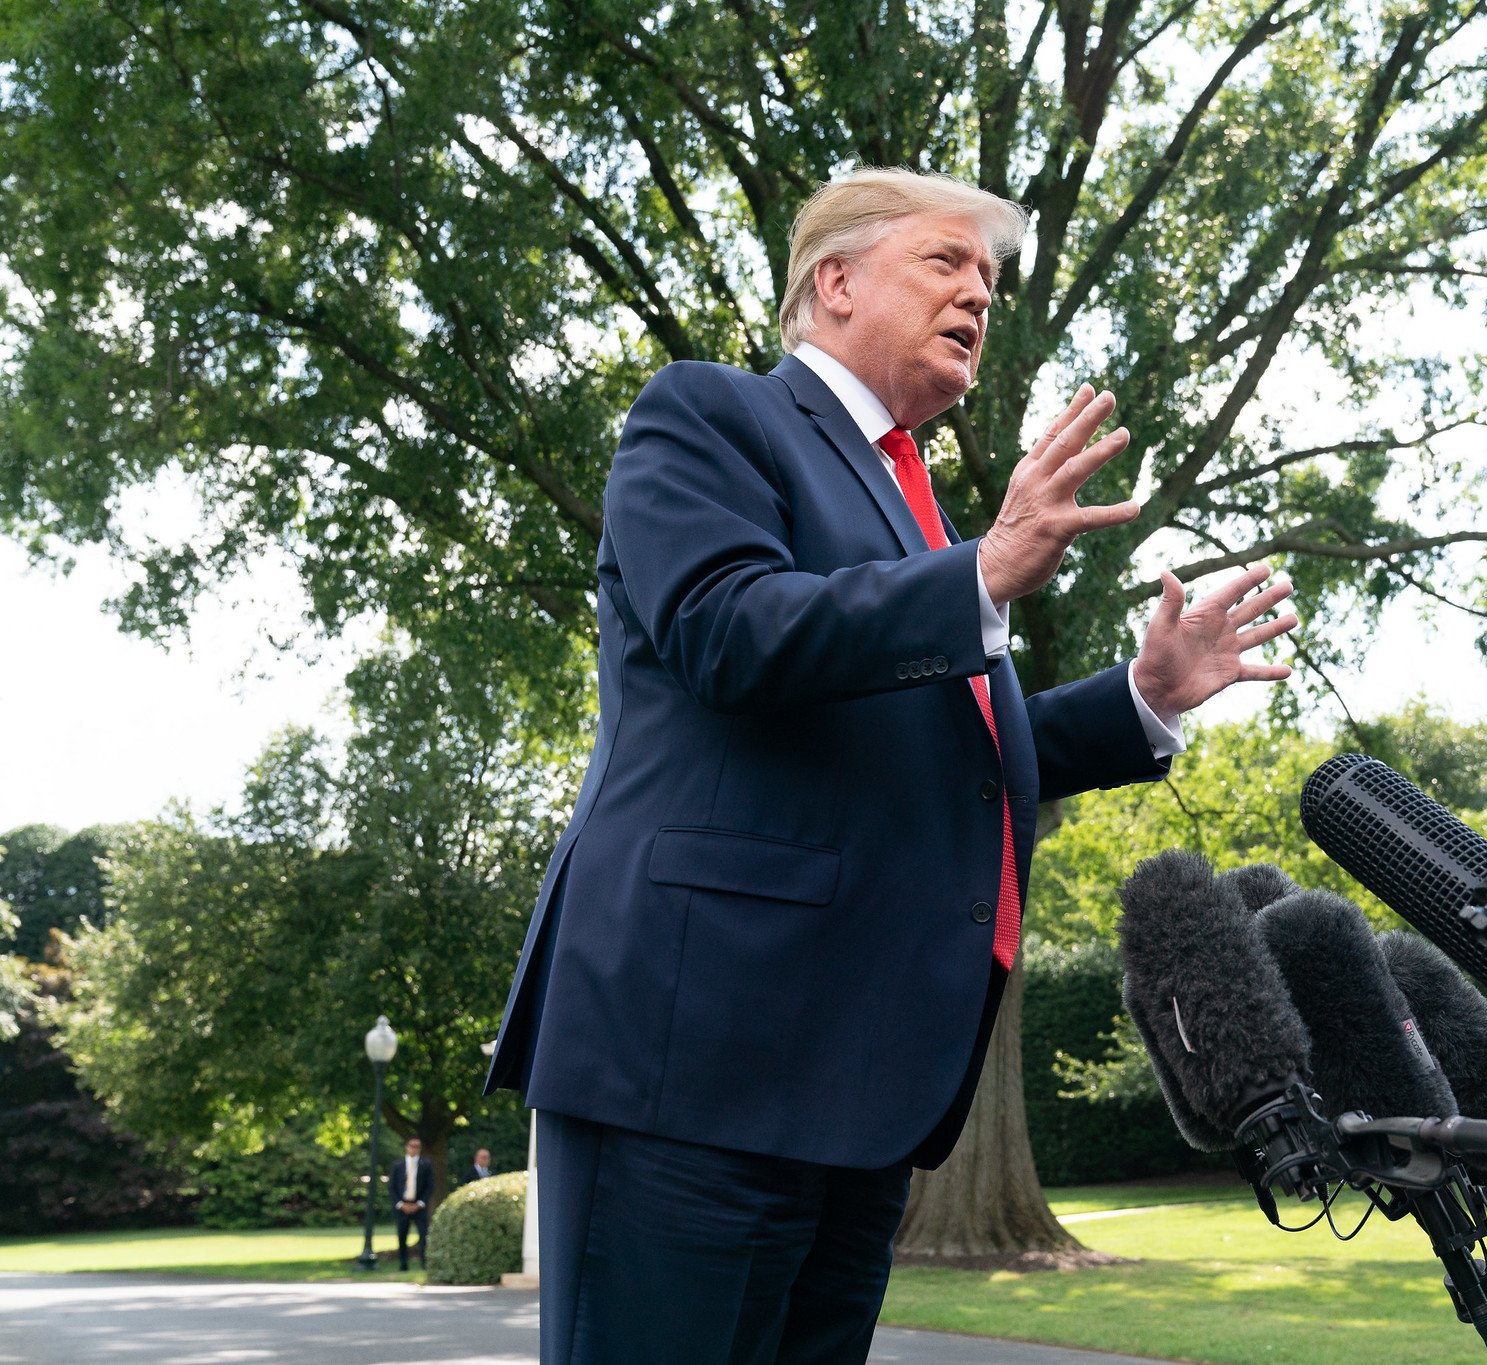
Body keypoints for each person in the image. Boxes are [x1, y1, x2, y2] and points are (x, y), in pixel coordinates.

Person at [482, 168, 1301, 1364]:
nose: (979, 293)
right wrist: (978, 572)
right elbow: (730, 631)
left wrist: (1141, 697)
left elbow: (961, 755)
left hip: (855, 1090)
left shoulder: (910, 508)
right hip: (697, 1061)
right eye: (946, 262)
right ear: (835, 281)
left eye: (988, 277)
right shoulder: (709, 415)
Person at [389, 1136, 434, 1271]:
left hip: (418, 1205)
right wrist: (400, 1204)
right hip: (402, 1205)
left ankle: (424, 1264)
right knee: (402, 1235)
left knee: (423, 1235)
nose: (414, 1149)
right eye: (412, 1145)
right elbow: (392, 1187)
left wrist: (419, 1203)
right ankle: (403, 1264)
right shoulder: (398, 1165)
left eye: (417, 1146)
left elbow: (429, 1186)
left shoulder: (426, 1165)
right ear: (407, 1147)